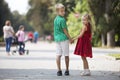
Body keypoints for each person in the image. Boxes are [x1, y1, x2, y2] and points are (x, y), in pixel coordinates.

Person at [54, 3, 73, 76]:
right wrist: (70, 38)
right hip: (64, 39)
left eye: (64, 11)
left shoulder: (55, 19)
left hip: (57, 39)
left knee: (58, 55)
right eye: (61, 11)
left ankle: (59, 71)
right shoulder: (62, 19)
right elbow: (65, 30)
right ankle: (67, 70)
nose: (63, 12)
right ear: (57, 12)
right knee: (66, 55)